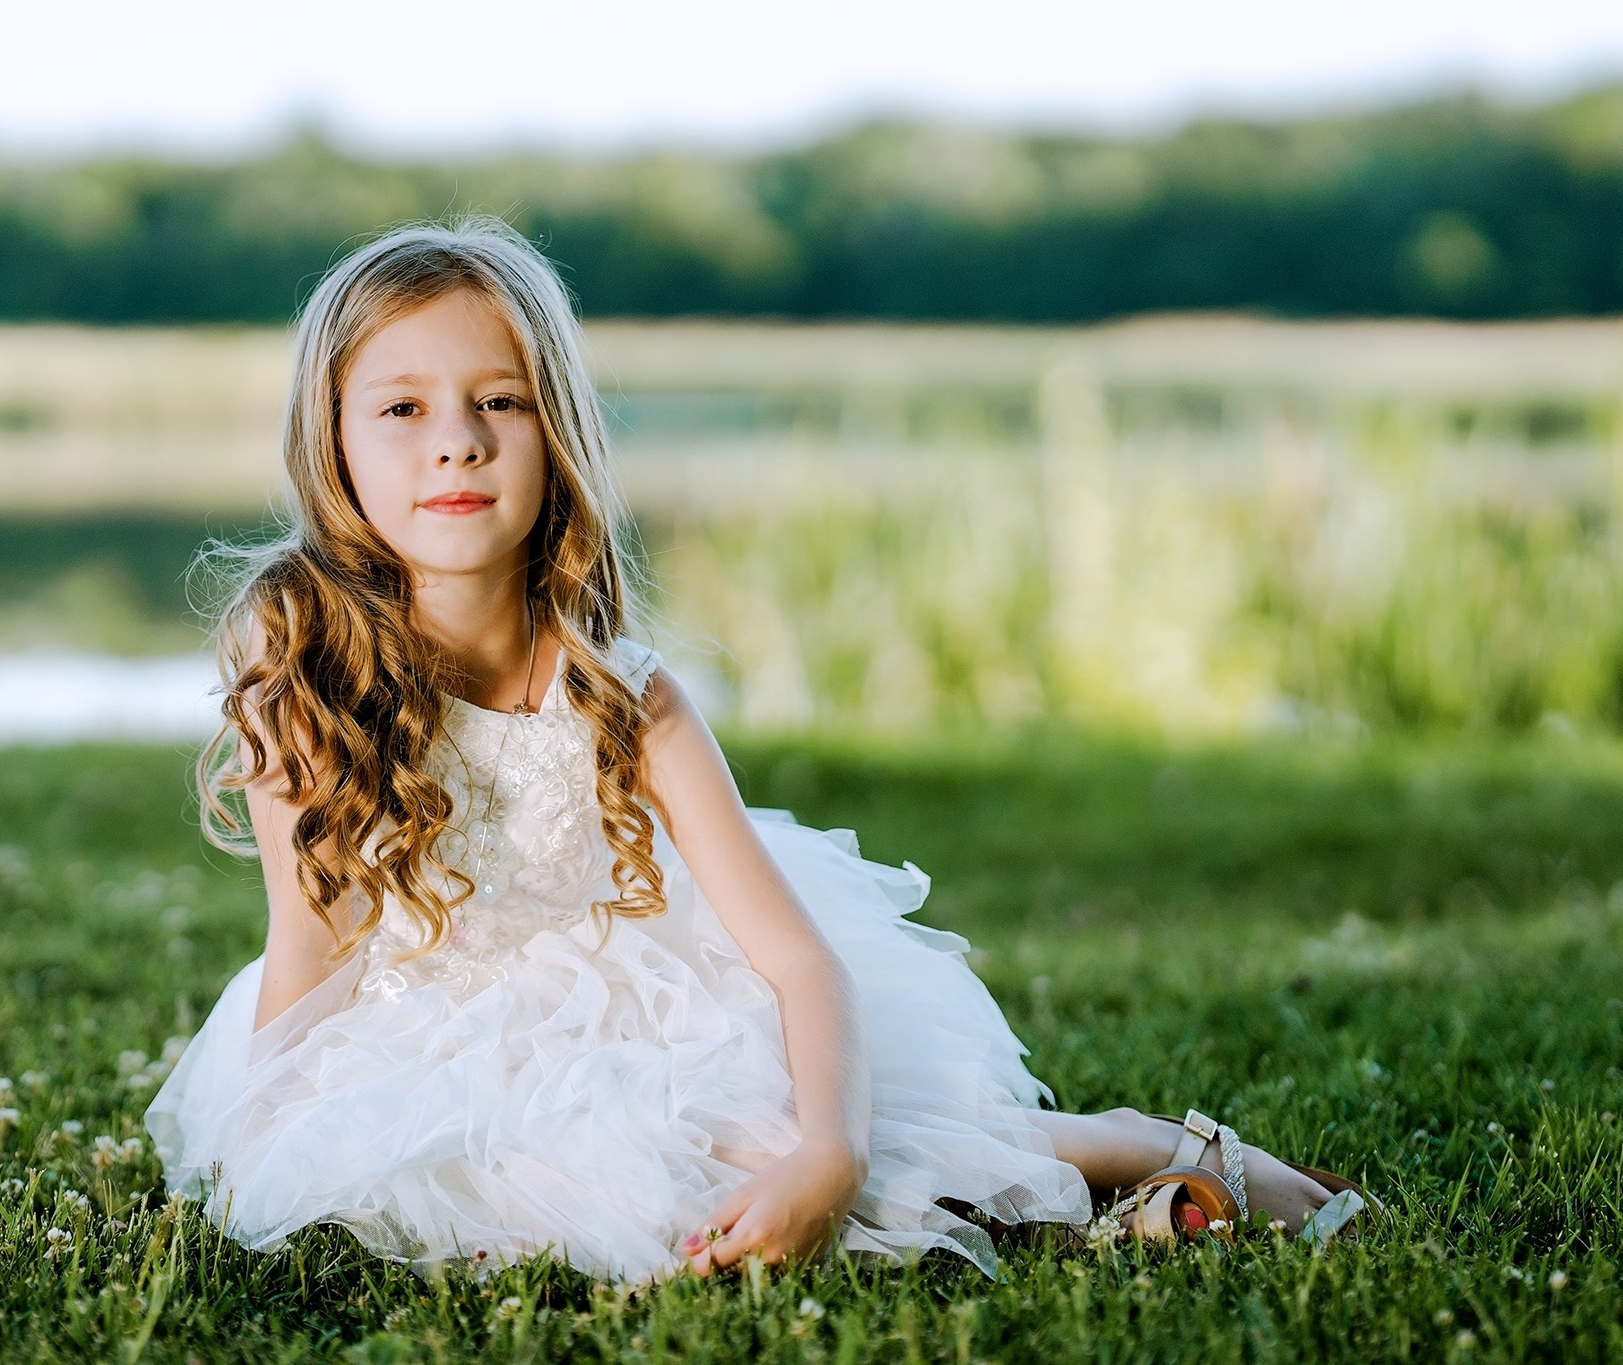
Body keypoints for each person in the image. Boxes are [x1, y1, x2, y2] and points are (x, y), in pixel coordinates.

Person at [145, 218, 1373, 1285]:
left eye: (497, 402)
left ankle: (1134, 1148)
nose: (455, 443)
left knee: (767, 1161)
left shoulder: (631, 705)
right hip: (427, 1030)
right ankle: (1107, 1198)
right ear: (335, 444)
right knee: (459, 1182)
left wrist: (826, 1154)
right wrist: (267, 1129)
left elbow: (798, 964)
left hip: (656, 1007)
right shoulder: (299, 673)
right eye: (402, 409)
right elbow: (305, 939)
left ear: (553, 434)